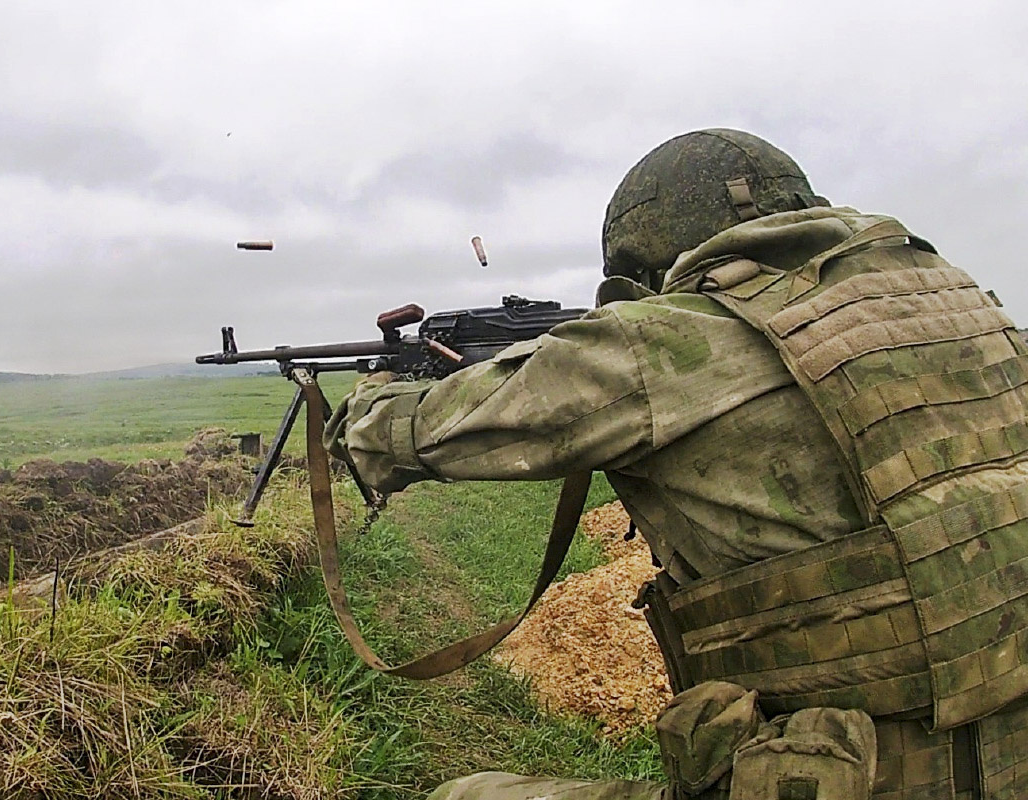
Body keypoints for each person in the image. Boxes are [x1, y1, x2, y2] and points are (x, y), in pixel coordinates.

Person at [325, 129, 1028, 800]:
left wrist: (369, 400)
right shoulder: (963, 306)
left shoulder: (668, 338)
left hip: (852, 773)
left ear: (645, 256)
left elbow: (412, 435)